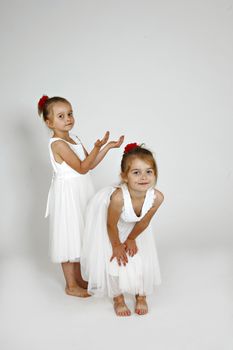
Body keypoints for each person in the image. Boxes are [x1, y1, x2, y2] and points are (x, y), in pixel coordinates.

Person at [38, 95, 124, 298]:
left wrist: (106, 147)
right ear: (49, 122)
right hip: (68, 194)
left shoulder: (74, 138)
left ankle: (78, 278)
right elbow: (82, 168)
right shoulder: (57, 144)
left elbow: (90, 163)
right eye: (61, 116)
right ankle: (71, 285)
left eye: (70, 114)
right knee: (68, 235)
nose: (68, 118)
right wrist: (96, 147)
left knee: (78, 233)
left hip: (81, 191)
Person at [81, 142, 164, 315]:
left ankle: (141, 295)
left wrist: (132, 239)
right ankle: (117, 297)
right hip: (113, 228)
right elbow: (110, 224)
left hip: (135, 229)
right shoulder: (118, 198)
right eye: (136, 172)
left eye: (149, 171)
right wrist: (117, 245)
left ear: (155, 174)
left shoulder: (157, 197)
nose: (143, 177)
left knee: (139, 258)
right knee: (114, 260)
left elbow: (143, 222)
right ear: (124, 176)